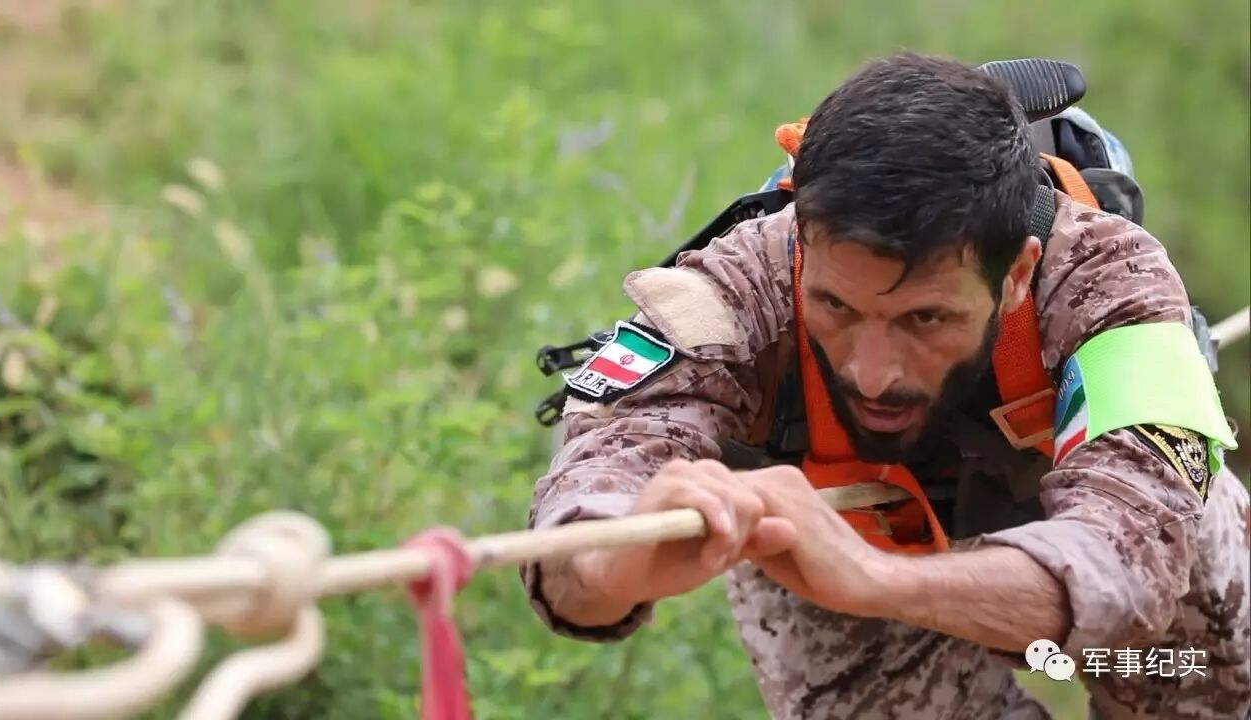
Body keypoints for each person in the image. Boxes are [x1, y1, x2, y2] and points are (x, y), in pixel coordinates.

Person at [519, 52, 1249, 719]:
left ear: (1017, 273)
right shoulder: (739, 286)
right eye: (835, 306)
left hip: (1088, 547)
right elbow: (579, 524)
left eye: (924, 317)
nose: (872, 373)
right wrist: (615, 563)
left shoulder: (1107, 281)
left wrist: (871, 578)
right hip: (827, 541)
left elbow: (1127, 566)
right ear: (802, 247)